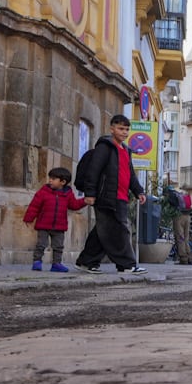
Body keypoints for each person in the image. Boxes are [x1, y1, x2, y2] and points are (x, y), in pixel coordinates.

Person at [75, 112, 147, 274]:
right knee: (120, 230)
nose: (124, 132)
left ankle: (86, 261)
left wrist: (139, 191)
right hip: (105, 196)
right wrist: (90, 193)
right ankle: (127, 264)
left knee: (103, 231)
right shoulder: (105, 147)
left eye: (127, 129)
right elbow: (94, 170)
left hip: (121, 197)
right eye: (121, 128)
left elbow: (130, 175)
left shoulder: (126, 151)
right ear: (112, 129)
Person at [24, 167, 88, 272]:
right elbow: (34, 206)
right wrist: (29, 218)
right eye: (50, 178)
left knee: (58, 246)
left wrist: (84, 201)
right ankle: (37, 262)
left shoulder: (68, 194)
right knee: (41, 244)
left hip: (59, 226)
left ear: (63, 182)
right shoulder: (43, 192)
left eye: (53, 179)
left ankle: (56, 264)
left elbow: (74, 205)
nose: (50, 181)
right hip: (43, 225)